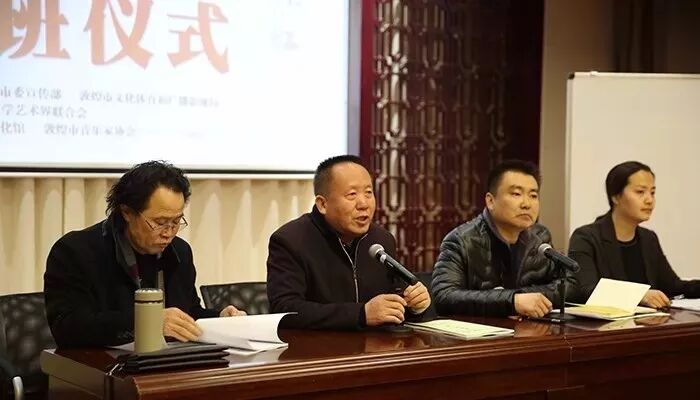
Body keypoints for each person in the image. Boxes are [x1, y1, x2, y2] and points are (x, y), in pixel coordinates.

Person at [44, 160, 245, 347]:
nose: (169, 233)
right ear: (127, 212)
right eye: (159, 223)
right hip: (104, 366)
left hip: (169, 363)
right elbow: (68, 328)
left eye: (176, 222)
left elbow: (187, 313)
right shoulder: (76, 251)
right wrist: (148, 321)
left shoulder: (179, 251)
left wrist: (220, 320)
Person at [266, 155, 431, 329]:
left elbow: (392, 304)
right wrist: (360, 314)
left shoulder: (382, 240)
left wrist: (414, 306)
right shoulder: (291, 241)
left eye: (368, 193)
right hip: (317, 346)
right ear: (323, 204)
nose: (363, 204)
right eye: (352, 195)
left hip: (375, 345)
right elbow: (285, 310)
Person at [432, 160, 564, 318]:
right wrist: (511, 301)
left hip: (529, 329)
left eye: (533, 195)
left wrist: (516, 298)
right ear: (490, 201)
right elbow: (444, 297)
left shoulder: (540, 237)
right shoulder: (461, 240)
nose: (527, 204)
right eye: (516, 194)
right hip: (482, 331)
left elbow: (566, 287)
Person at [568, 161, 700, 307]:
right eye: (640, 192)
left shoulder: (648, 238)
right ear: (616, 197)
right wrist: (638, 296)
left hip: (650, 320)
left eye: (652, 192)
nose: (649, 200)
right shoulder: (586, 238)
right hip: (606, 321)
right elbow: (586, 290)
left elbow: (673, 286)